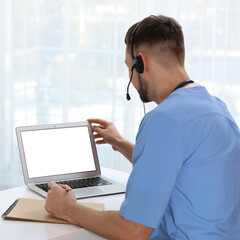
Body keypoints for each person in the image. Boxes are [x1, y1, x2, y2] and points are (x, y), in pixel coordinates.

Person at [45, 15, 240, 239]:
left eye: (129, 67)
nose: (130, 77)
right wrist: (120, 143)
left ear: (141, 62)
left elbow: (133, 231)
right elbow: (176, 168)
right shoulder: (215, 107)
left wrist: (68, 209)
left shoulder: (165, 120)